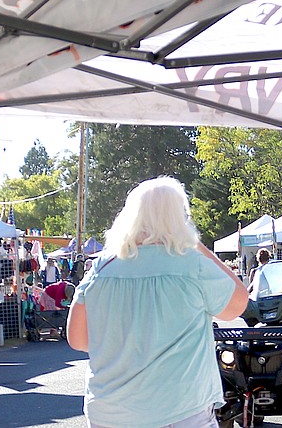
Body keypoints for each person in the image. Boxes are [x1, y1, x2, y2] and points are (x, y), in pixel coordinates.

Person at [67, 177, 248, 428]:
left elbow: (78, 340)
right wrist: (197, 245)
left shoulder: (100, 268)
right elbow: (238, 303)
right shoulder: (192, 264)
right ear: (179, 218)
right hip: (180, 408)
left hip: (109, 411)